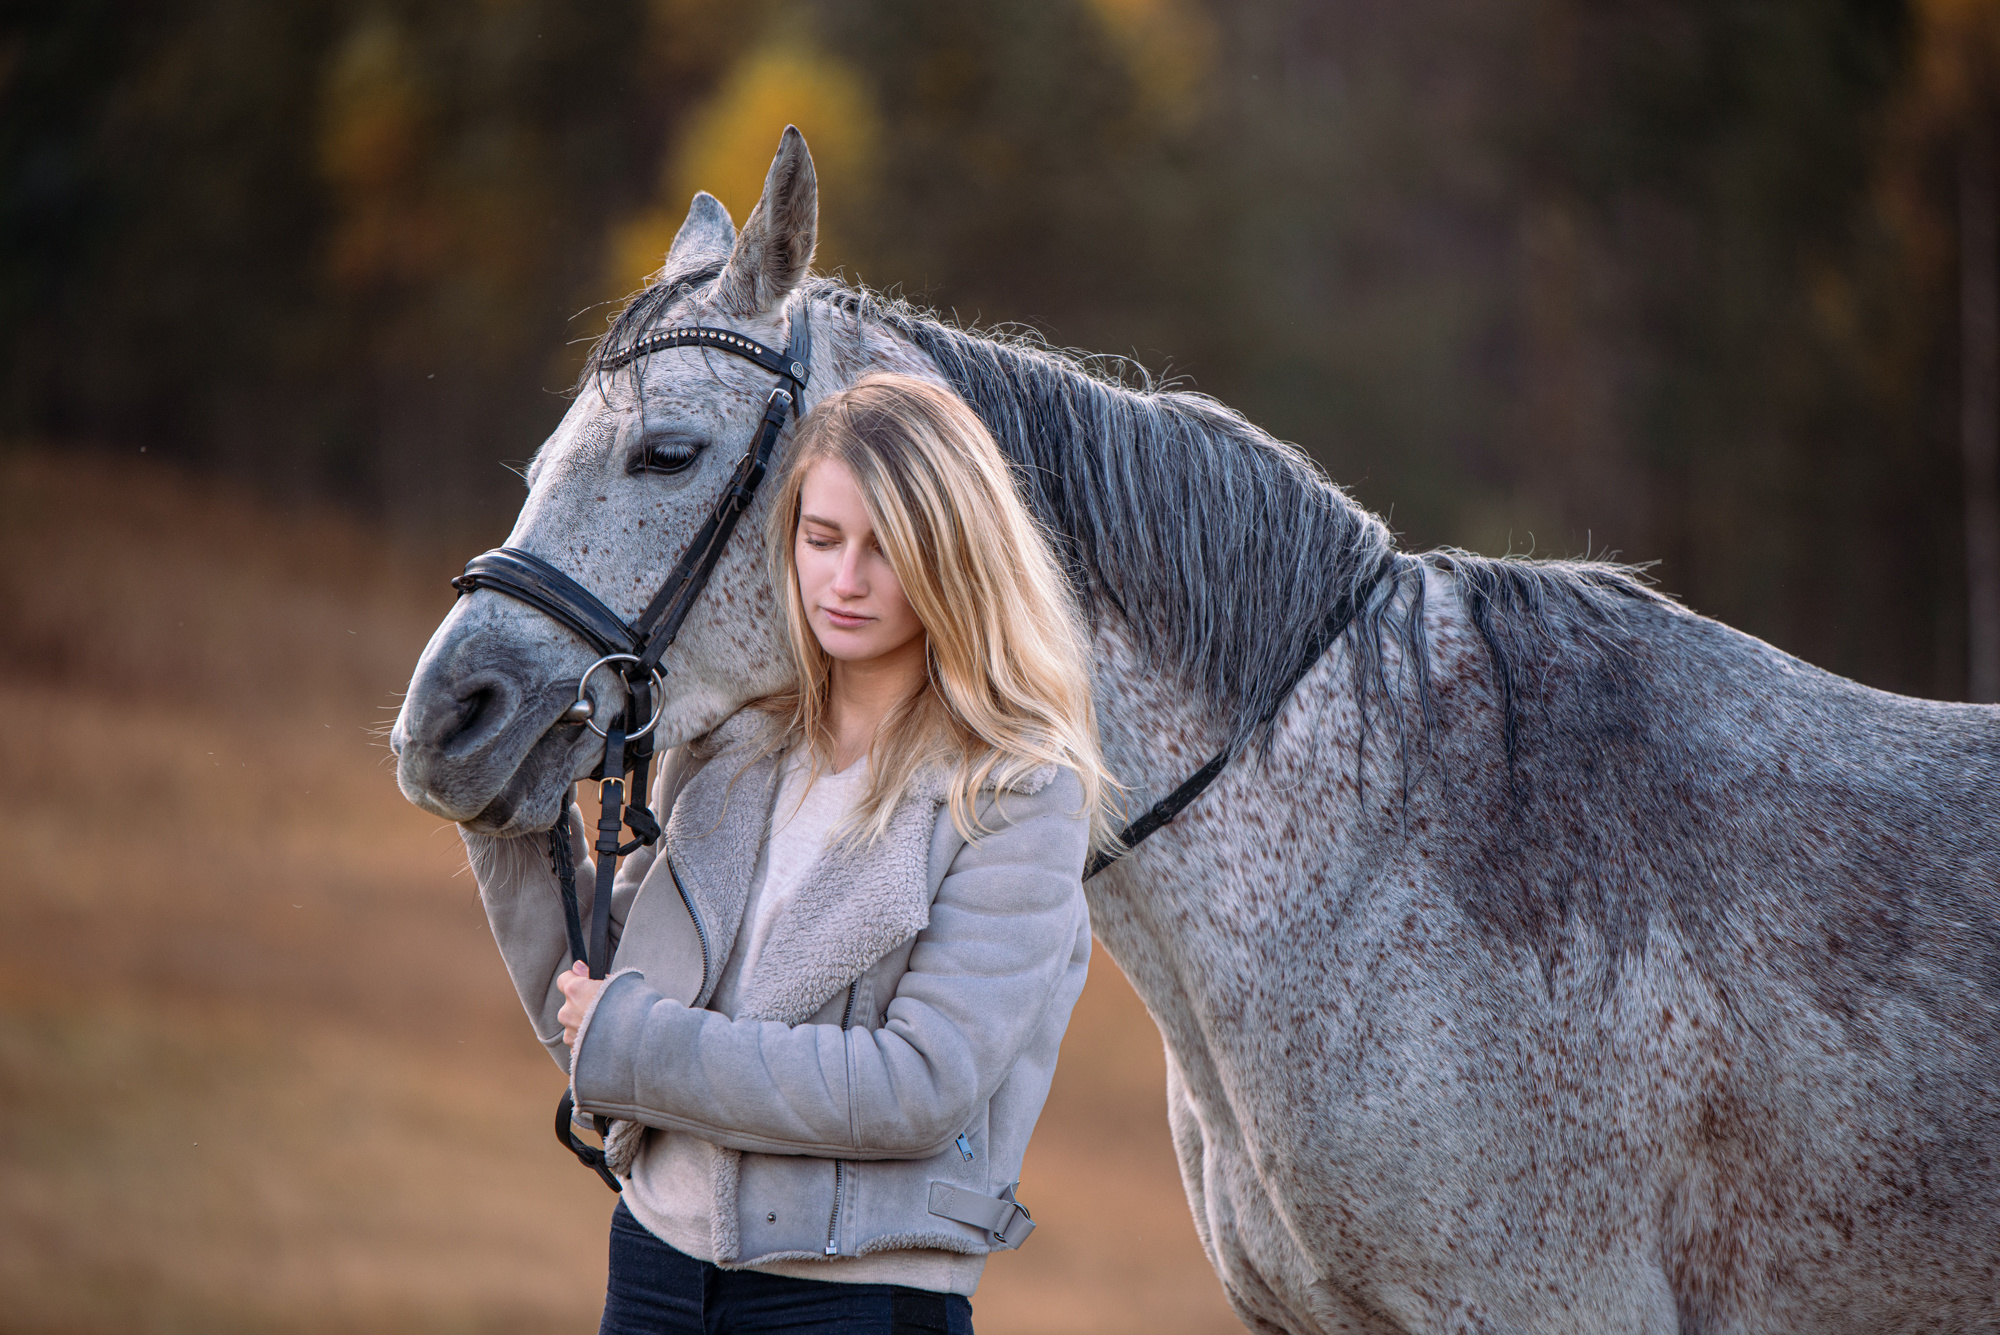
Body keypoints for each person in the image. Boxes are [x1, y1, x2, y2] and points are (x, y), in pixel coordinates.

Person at [464, 371, 1119, 1334]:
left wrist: (638, 1042)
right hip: (653, 1269)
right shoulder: (728, 746)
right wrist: (504, 812)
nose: (844, 580)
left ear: (955, 558)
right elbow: (596, 1018)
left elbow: (918, 1085)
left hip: (857, 1298)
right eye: (822, 538)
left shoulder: (1016, 791)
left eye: (885, 548)